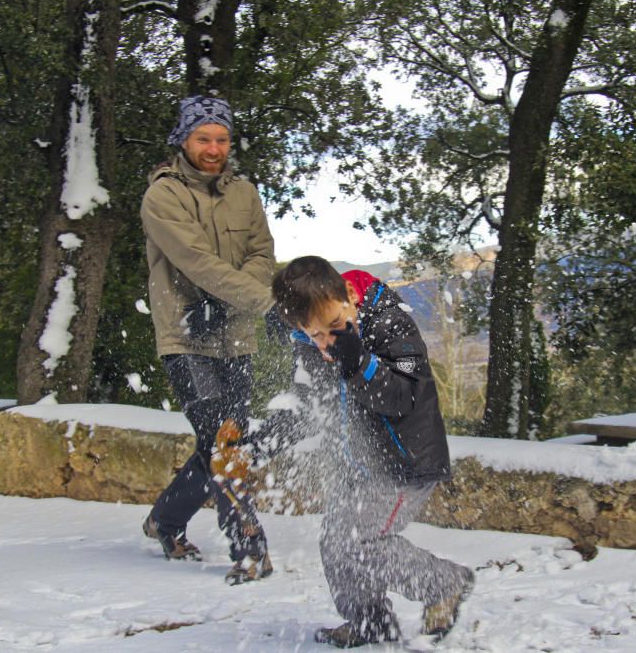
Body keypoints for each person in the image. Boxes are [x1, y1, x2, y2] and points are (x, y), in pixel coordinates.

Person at [265, 255, 474, 647]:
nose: (328, 341)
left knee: (361, 543)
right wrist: (264, 440)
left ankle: (445, 583)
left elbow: (406, 396)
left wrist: (360, 364)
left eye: (334, 326)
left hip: (402, 465)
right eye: (315, 334)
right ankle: (370, 623)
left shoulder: (390, 323)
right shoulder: (313, 340)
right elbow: (311, 401)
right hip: (358, 465)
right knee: (335, 544)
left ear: (348, 294)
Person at [139, 96, 276, 585]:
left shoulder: (245, 192)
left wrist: (231, 302)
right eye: (203, 138)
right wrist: (261, 302)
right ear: (183, 139)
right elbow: (194, 260)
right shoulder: (163, 195)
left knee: (216, 443)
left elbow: (263, 253)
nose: (214, 147)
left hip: (237, 337)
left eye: (222, 139)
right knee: (225, 443)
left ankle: (164, 520)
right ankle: (249, 547)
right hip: (185, 337)